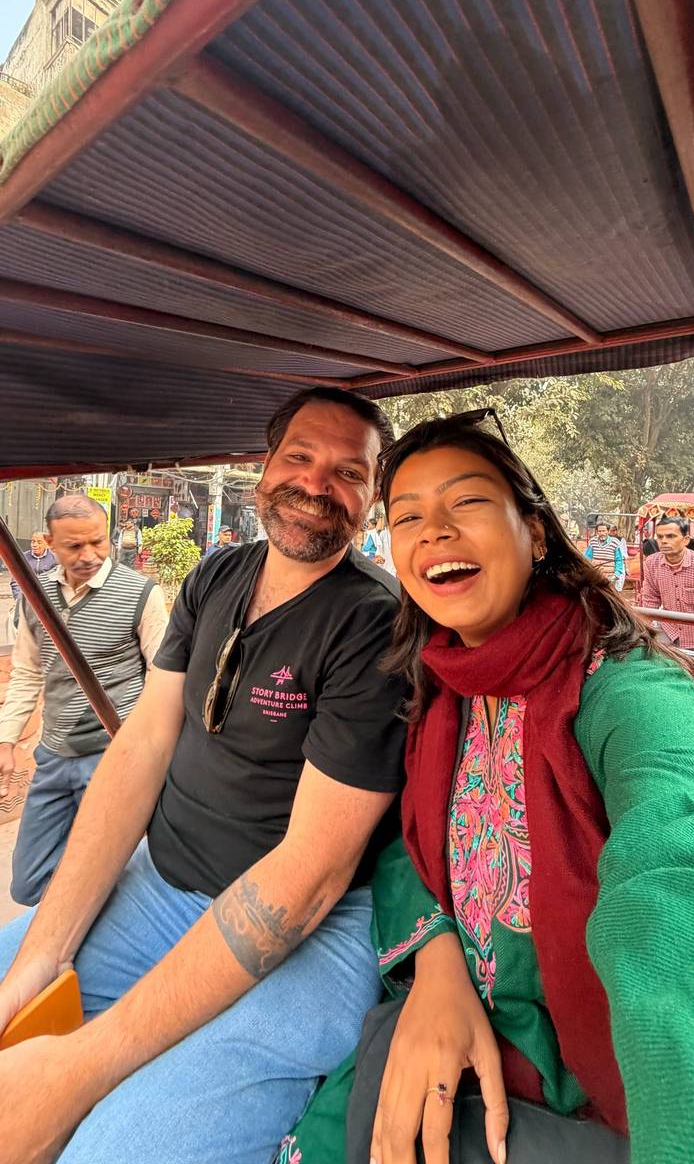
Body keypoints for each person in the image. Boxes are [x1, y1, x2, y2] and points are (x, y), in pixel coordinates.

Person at [285, 414, 694, 1164]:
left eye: (468, 504)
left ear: (537, 533)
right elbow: (404, 846)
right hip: (433, 1024)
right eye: (408, 517)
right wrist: (437, 962)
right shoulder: (438, 682)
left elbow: (677, 872)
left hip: (574, 1091)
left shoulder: (629, 692)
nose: (435, 533)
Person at [0, 387, 407, 1164]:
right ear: (262, 469)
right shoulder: (214, 578)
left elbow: (309, 879)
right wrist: (39, 959)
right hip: (162, 886)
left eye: (349, 473)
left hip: (312, 932)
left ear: (371, 501)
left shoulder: (372, 624)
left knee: (111, 1149)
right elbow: (142, 749)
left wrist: (72, 1074)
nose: (318, 485)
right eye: (300, 457)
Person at [0, 496, 168, 904]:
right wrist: (6, 740)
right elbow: (26, 673)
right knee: (28, 883)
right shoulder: (33, 595)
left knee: (107, 874)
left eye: (97, 542)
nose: (88, 555)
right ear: (49, 543)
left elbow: (164, 682)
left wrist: (150, 755)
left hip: (112, 758)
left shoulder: (141, 594)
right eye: (74, 546)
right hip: (54, 758)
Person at [641, 514, 694, 655]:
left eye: (671, 536)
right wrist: (643, 631)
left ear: (686, 540)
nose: (664, 541)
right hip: (668, 636)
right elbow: (650, 600)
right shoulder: (651, 563)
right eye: (660, 537)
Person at [9, 531, 58, 627]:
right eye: (33, 541)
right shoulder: (22, 557)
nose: (35, 545)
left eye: (39, 542)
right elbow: (15, 581)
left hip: (47, 598)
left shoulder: (55, 559)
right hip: (25, 597)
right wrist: (20, 598)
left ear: (47, 544)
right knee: (16, 620)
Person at [607, 524, 628, 591]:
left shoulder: (621, 540)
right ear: (608, 531)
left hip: (619, 563)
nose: (614, 532)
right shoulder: (605, 540)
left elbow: (624, 553)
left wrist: (626, 567)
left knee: (618, 585)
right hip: (608, 564)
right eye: (612, 531)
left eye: (615, 530)